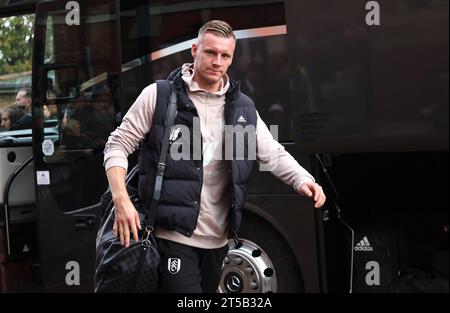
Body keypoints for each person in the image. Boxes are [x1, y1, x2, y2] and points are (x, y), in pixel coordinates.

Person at [103, 20, 326, 293]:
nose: (217, 61)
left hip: (219, 242)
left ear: (232, 58)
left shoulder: (242, 107)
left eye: (225, 55)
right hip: (173, 236)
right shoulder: (160, 96)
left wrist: (302, 179)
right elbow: (117, 145)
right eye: (210, 52)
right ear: (194, 50)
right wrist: (121, 200)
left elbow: (272, 152)